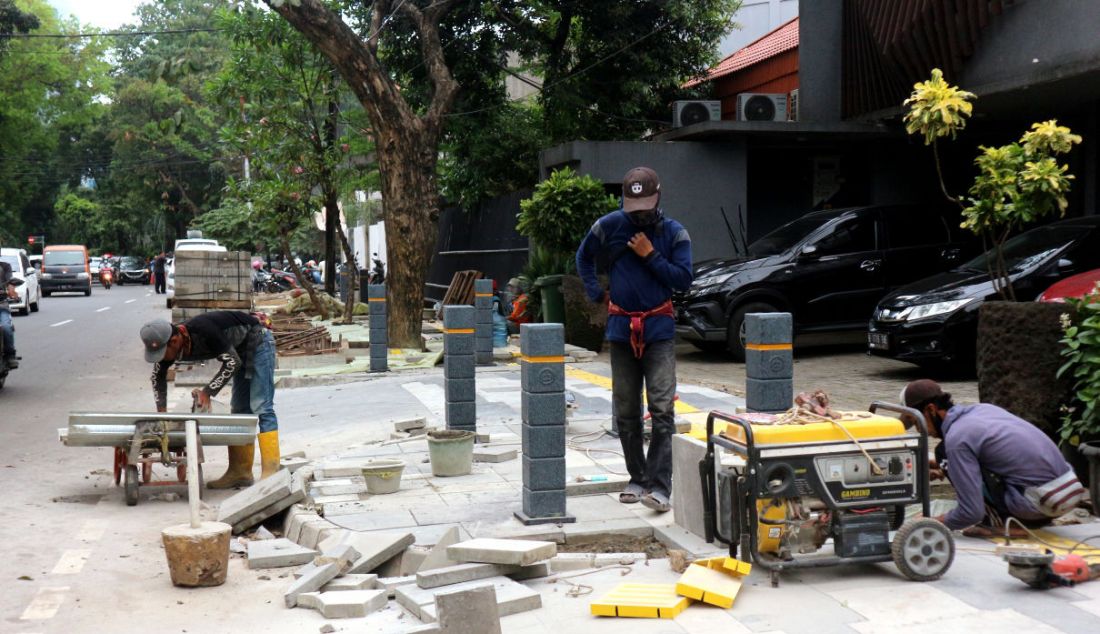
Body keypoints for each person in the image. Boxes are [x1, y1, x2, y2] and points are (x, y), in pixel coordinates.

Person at [576, 166, 693, 512]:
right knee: (625, 411)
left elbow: (683, 279)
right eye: (633, 206)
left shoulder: (674, 233)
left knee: (661, 410)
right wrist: (595, 291)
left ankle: (660, 487)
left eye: (645, 205)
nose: (639, 213)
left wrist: (650, 255)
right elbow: (584, 256)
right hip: (620, 330)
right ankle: (637, 478)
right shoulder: (609, 225)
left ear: (658, 198)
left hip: (659, 332)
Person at [901, 379, 1086, 535]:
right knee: (950, 457)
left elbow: (971, 513)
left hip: (1040, 502)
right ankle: (1027, 520)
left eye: (917, 423)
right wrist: (944, 468)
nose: (921, 431)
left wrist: (931, 523)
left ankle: (1001, 525)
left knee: (944, 452)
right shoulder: (983, 410)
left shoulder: (956, 440)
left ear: (931, 410)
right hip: (1068, 489)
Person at [141, 311, 280, 488]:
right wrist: (162, 412)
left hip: (258, 343)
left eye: (162, 353)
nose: (160, 359)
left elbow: (232, 363)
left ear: (174, 342)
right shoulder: (171, 344)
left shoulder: (204, 330)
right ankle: (241, 472)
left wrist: (208, 392)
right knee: (239, 410)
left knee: (261, 405)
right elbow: (157, 377)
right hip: (238, 350)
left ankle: (272, 471)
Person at [0, 249, 18, 369]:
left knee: (6, 327)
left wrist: (11, 291)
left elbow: (10, 282)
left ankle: (10, 355)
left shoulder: (5, 267)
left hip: (1, 305)